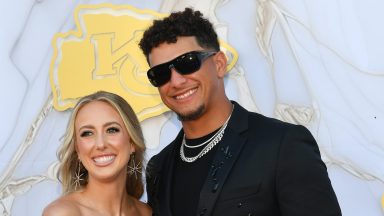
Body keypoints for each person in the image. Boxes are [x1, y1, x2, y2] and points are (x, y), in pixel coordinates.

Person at [139, 7, 341, 216]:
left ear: (219, 64)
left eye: (187, 63)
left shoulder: (282, 145)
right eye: (161, 73)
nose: (176, 81)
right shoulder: (159, 168)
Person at [43, 91, 152, 216]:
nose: (100, 144)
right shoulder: (63, 213)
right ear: (77, 149)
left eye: (112, 130)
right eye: (87, 133)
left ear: (132, 142)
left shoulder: (146, 212)